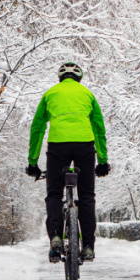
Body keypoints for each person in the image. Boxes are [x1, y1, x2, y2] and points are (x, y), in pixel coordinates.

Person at [26, 62, 110, 263]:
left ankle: (55, 235)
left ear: (60, 78)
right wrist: (103, 160)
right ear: (79, 77)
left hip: (58, 145)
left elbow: (37, 127)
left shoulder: (50, 94)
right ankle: (88, 246)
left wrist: (33, 161)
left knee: (54, 193)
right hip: (85, 145)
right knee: (87, 196)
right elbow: (98, 128)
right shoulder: (87, 94)